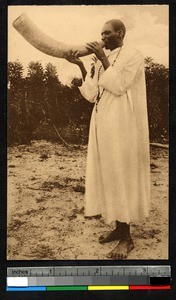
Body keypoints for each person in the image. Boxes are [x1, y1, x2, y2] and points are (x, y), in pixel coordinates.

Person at [66, 19, 150, 259]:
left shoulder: (133, 55)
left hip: (123, 123)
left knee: (121, 173)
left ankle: (127, 238)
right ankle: (118, 229)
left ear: (120, 33)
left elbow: (121, 85)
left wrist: (102, 57)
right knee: (109, 174)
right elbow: (92, 94)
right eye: (101, 34)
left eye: (107, 33)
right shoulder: (103, 60)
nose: (102, 37)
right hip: (102, 122)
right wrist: (81, 66)